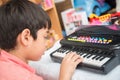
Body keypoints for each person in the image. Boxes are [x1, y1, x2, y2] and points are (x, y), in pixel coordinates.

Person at [0, 0, 83, 80]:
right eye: (45, 36)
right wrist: (64, 76)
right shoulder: (26, 78)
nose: (47, 43)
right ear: (26, 37)